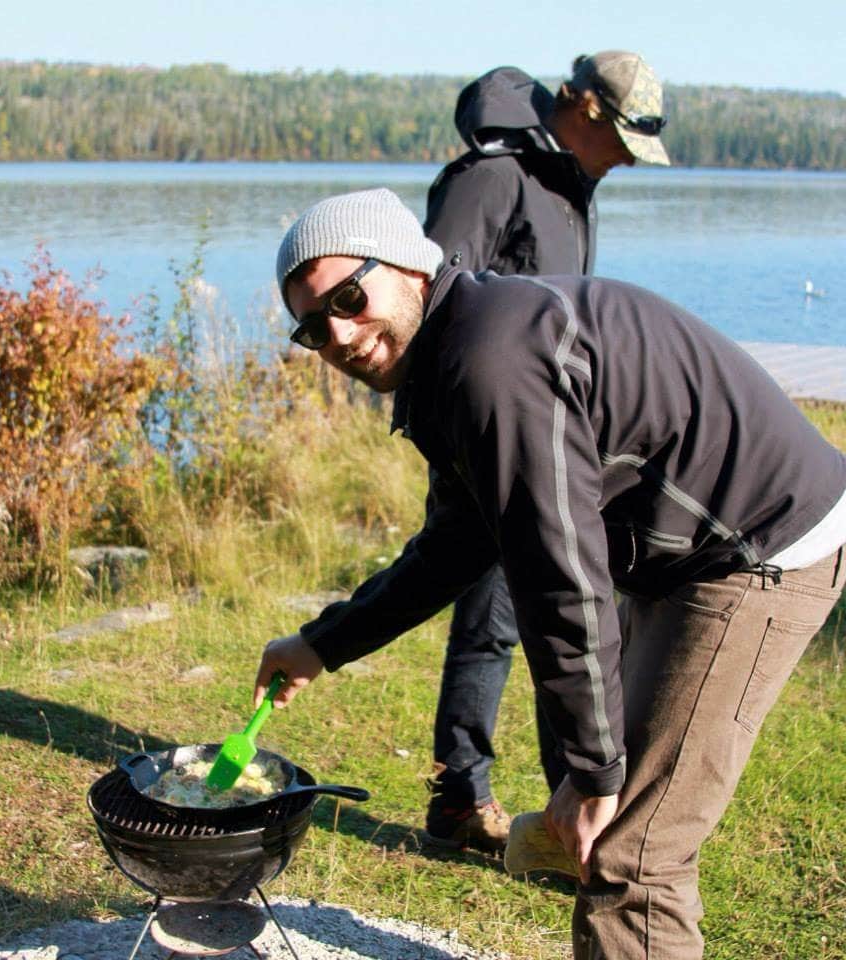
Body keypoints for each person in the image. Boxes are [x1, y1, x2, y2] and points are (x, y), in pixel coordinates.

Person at [254, 187, 846, 959]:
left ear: (410, 266)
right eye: (312, 325)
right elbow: (455, 546)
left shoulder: (489, 361)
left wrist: (594, 770)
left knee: (632, 855)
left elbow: (559, 576)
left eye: (350, 297)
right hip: (687, 554)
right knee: (617, 806)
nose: (338, 333)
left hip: (758, 545)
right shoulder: (452, 355)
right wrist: (323, 642)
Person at [422, 51, 670, 852]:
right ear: (588, 109)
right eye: (628, 138)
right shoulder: (493, 179)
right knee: (499, 619)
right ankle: (466, 801)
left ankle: (564, 800)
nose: (632, 158)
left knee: (544, 612)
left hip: (552, 440)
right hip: (488, 441)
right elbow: (432, 304)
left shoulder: (568, 186)